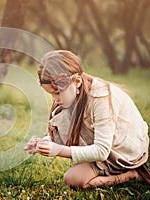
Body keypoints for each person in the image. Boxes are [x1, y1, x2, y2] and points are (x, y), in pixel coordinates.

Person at [24, 50, 150, 189]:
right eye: (51, 95)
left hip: (123, 152)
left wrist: (58, 150)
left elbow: (102, 150)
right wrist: (44, 142)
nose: (55, 99)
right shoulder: (74, 94)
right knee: (75, 177)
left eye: (57, 93)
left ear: (77, 81)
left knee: (73, 179)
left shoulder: (100, 97)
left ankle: (130, 175)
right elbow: (69, 130)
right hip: (107, 147)